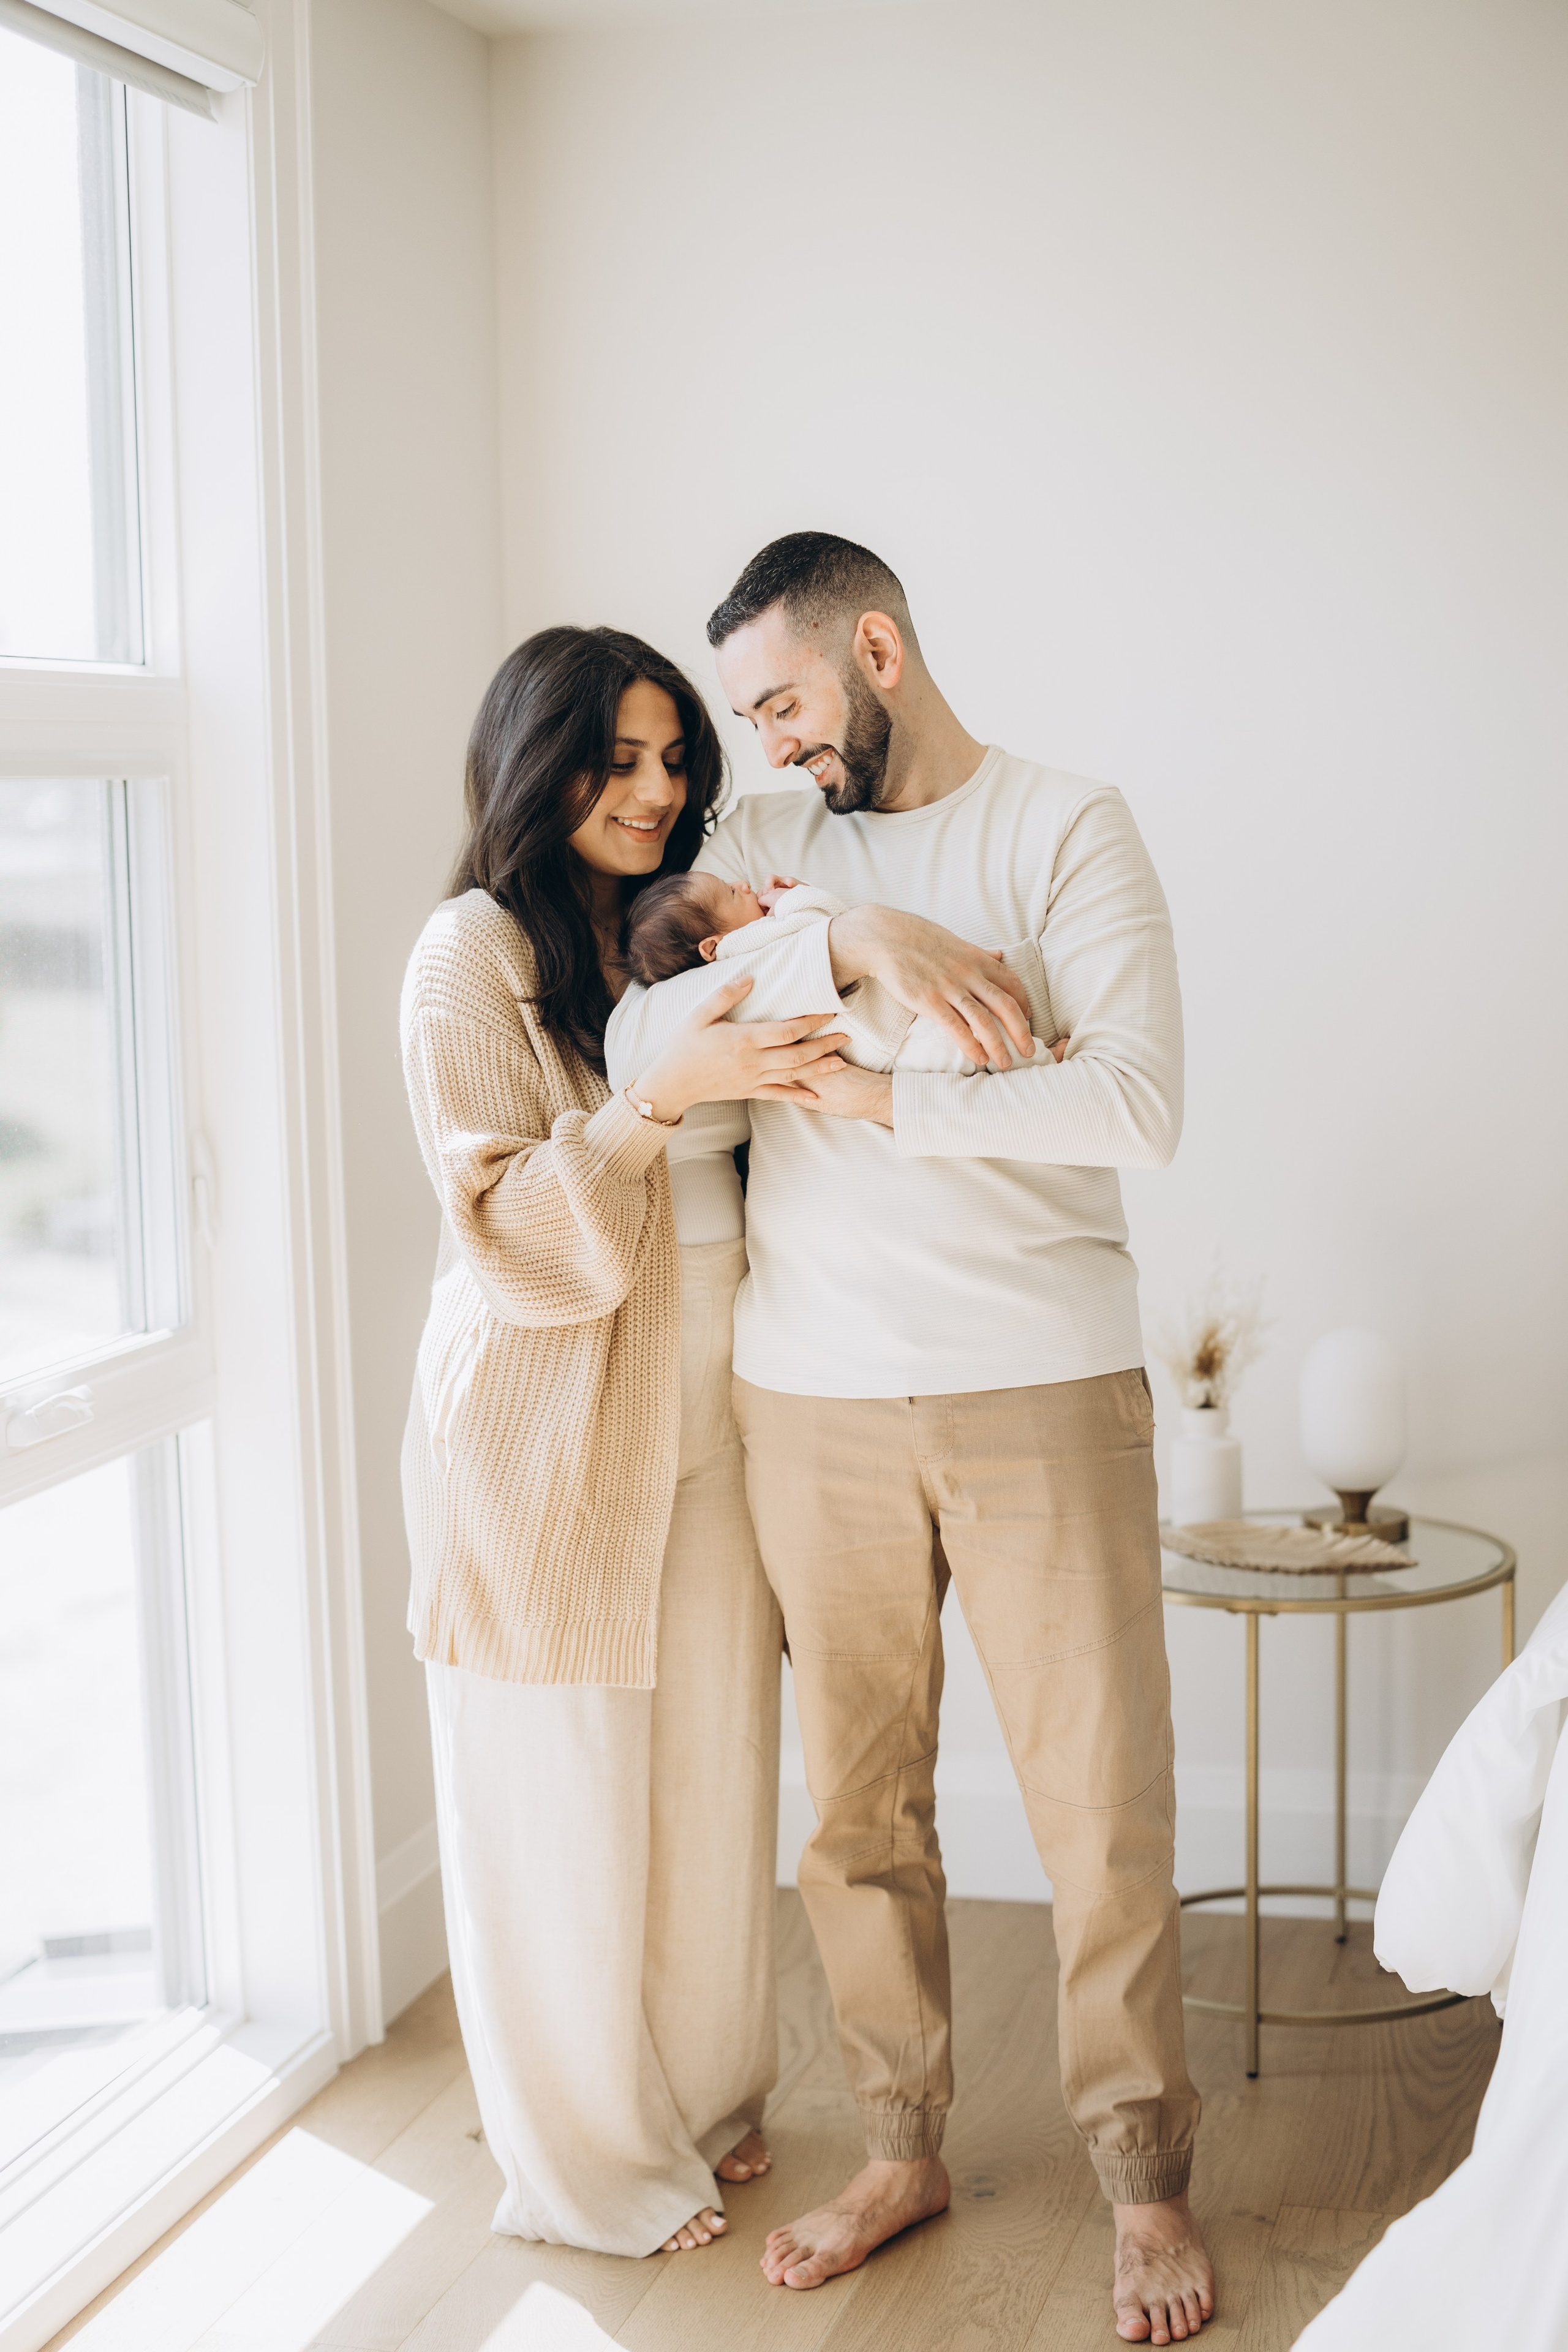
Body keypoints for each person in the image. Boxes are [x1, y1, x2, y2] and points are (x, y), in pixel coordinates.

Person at [605, 534, 1215, 2346]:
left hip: (1040, 1376)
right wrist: (850, 936)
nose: (765, 744)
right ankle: (897, 2146)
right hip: (809, 1390)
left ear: (875, 648)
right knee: (856, 1807)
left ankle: (1143, 2173)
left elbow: (1134, 1101)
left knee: (1099, 1803)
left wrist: (878, 1090)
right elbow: (646, 1028)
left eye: (783, 700)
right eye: (747, 717)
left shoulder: (1062, 825)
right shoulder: (762, 841)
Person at [398, 624, 847, 2260]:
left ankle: (701, 2098)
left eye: (673, 760)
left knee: (712, 1772)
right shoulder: (470, 953)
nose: (653, 791)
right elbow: (504, 1225)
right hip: (547, 1432)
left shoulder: (670, 921)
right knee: (558, 1809)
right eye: (616, 760)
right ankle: (586, 2167)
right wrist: (659, 1102)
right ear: (537, 765)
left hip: (716, 1412)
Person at [619, 870, 1060, 1071]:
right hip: (890, 1034)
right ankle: (1040, 1060)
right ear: (712, 947)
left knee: (961, 1047)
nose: (744, 884)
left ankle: (1034, 1058)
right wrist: (794, 899)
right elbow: (827, 924)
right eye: (731, 894)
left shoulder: (745, 955)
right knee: (963, 1044)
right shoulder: (747, 947)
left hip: (878, 1041)